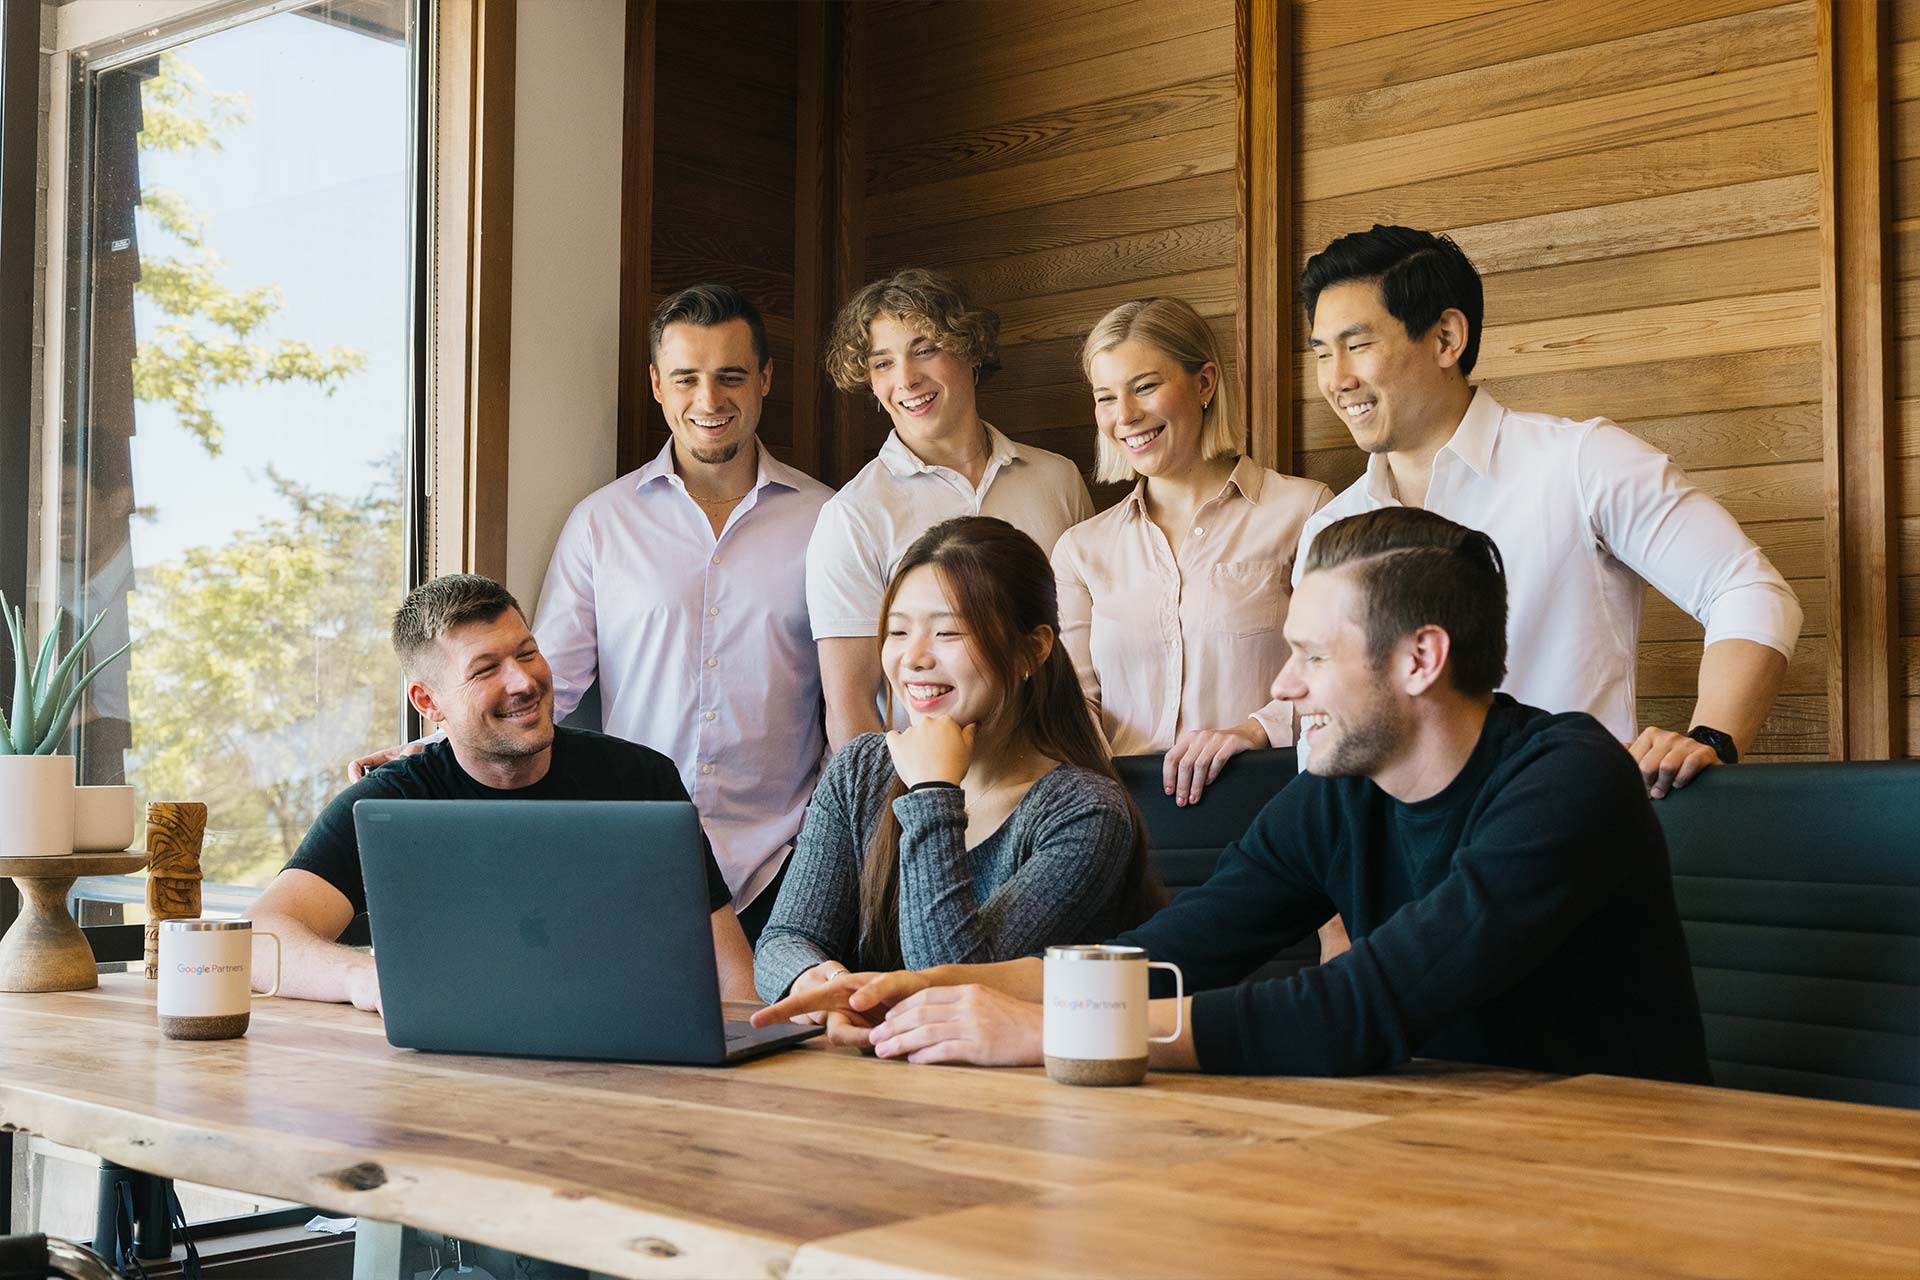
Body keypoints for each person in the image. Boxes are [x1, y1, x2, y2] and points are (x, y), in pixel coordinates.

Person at [753, 508, 1713, 1086]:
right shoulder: (1339, 793)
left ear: (1420, 658)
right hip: (1434, 1141)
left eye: (1308, 657)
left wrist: (1048, 1031)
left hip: (1622, 1164)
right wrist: (903, 995)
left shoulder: (1568, 779)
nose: (1283, 690)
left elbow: (1356, 1011)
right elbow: (1161, 959)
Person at [352, 284, 833, 943]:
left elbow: (854, 703)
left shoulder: (830, 521)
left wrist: (832, 856)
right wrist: (431, 748)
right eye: (687, 378)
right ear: (657, 386)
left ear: (766, 380)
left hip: (790, 868)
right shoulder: (601, 524)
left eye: (731, 377)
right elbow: (548, 683)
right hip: (636, 859)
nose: (710, 400)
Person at [1295, 225, 1800, 802]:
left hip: (1563, 847)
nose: (1336, 380)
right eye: (1322, 352)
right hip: (1384, 872)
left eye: (1358, 346)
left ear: (1445, 338)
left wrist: (1711, 736)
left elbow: (1748, 588)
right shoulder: (1327, 531)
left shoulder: (1581, 462)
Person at [253, 574, 756, 1012]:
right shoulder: (388, 803)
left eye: (527, 653)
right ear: (429, 701)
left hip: (633, 1064)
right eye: (485, 669)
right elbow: (258, 940)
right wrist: (363, 978)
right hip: (448, 1079)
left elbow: (732, 974)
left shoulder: (642, 779)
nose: (523, 682)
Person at [755, 516, 1159, 1047]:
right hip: (876, 1086)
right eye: (898, 631)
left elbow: (954, 978)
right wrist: (832, 988)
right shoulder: (860, 769)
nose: (914, 659)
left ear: (1031, 651)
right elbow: (785, 939)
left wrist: (932, 793)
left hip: (1021, 1103)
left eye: (948, 632)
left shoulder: (1086, 812)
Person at [1051, 297, 1331, 807]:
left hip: (1271, 800)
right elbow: (1072, 703)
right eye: (1106, 397)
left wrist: (1251, 732)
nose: (1126, 416)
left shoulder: (1305, 510)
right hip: (1123, 816)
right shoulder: (1080, 550)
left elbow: (1341, 669)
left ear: (1205, 383)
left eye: (1145, 387)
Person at [808, 268, 1093, 750]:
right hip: (927, 793)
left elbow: (1088, 648)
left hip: (1053, 774)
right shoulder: (853, 515)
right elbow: (850, 705)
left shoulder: (1057, 479)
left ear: (971, 349)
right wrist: (900, 814)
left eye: (925, 349)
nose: (906, 379)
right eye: (882, 363)